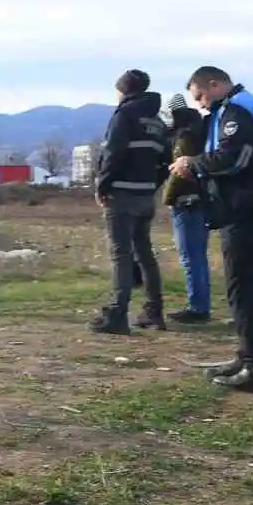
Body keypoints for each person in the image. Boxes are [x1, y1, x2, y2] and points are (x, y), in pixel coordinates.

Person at [170, 66, 253, 392]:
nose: (201, 104)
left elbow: (234, 158)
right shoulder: (232, 109)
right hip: (246, 210)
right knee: (242, 290)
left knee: (247, 289)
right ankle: (248, 357)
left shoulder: (238, 111)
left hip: (250, 210)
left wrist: (190, 163)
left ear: (215, 84)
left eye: (201, 95)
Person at [91, 69, 171, 334]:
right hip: (145, 196)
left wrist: (102, 184)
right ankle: (154, 312)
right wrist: (151, 186)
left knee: (121, 255)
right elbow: (165, 161)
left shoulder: (124, 115)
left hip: (121, 195)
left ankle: (117, 314)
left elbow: (113, 152)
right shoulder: (157, 121)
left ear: (123, 90)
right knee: (145, 255)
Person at [162, 93, 211, 323]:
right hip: (201, 200)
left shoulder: (184, 137)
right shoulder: (200, 129)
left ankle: (198, 307)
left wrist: (168, 197)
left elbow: (178, 173)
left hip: (187, 202)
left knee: (190, 257)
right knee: (198, 255)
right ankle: (201, 303)